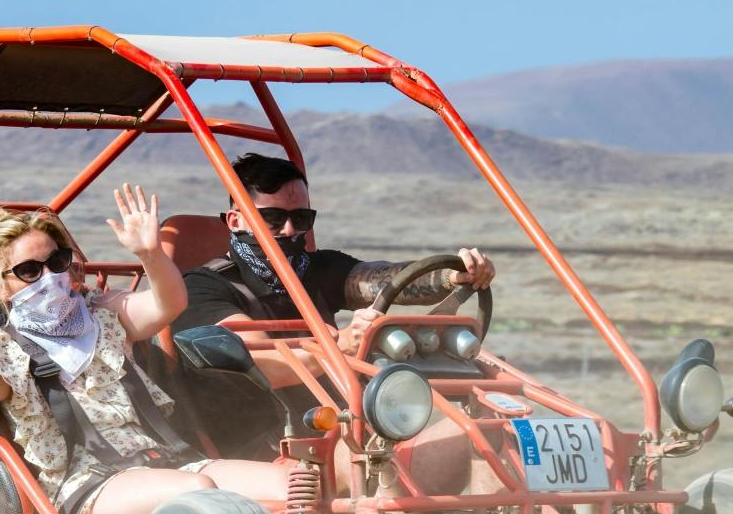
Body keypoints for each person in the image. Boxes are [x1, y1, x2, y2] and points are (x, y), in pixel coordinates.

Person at [0, 185, 292, 514]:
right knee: (199, 495)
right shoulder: (3, 347)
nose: (49, 277)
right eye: (29, 270)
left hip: (165, 462)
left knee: (292, 483)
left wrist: (151, 255)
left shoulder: (102, 315)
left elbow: (168, 305)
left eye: (57, 262)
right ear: (2, 286)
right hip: (86, 484)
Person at [177, 152, 497, 379]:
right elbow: (259, 366)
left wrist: (454, 276)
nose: (290, 231)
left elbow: (384, 280)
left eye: (300, 218)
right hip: (256, 433)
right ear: (235, 221)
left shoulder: (317, 268)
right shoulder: (203, 288)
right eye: (272, 219)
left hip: (342, 421)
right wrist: (339, 346)